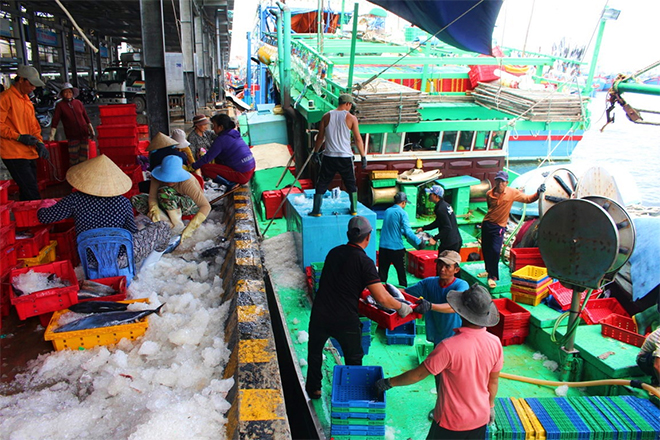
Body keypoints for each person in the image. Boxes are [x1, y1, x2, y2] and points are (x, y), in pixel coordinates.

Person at [305, 216, 426, 399]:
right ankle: (352, 395)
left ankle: (314, 389)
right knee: (353, 358)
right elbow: (382, 298)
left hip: (320, 313)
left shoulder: (334, 252)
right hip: (345, 318)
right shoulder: (365, 262)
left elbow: (341, 280)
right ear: (368, 237)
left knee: (314, 352)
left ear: (348, 235)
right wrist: (402, 307)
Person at [374, 284, 502, 440]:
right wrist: (490, 406)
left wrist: (388, 382)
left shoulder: (448, 347)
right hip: (480, 418)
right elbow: (493, 381)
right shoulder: (495, 343)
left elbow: (417, 375)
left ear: (460, 312)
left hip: (451, 421)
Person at [37, 154, 171, 269]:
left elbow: (45, 217)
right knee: (163, 227)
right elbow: (131, 231)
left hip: (90, 260)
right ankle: (149, 266)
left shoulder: (74, 200)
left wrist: (44, 204)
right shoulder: (123, 202)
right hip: (120, 259)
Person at [404, 249, 469, 419]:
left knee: (457, 378)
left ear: (456, 269)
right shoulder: (428, 284)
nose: (442, 269)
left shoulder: (461, 286)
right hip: (439, 339)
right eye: (440, 264)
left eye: (447, 266)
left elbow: (454, 306)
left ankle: (458, 409)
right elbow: (405, 294)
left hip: (458, 340)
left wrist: (430, 306)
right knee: (440, 376)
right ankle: (442, 406)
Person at [480, 171, 544, 289]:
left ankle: (492, 276)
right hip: (487, 224)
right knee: (486, 249)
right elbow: (490, 208)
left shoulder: (512, 193)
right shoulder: (489, 194)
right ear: (495, 181)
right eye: (498, 181)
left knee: (495, 250)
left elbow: (527, 199)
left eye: (502, 182)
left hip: (499, 226)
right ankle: (488, 270)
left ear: (506, 183)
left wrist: (538, 193)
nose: (500, 184)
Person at [309, 94, 367, 217]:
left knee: (322, 183)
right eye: (351, 105)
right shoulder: (351, 118)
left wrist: (315, 152)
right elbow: (358, 139)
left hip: (329, 156)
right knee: (350, 183)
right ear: (348, 104)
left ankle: (316, 210)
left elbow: (320, 138)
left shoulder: (326, 116)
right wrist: (363, 156)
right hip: (345, 157)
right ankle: (354, 209)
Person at [0, 64, 49, 200]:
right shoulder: (5, 98)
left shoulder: (26, 100)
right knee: (31, 192)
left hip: (29, 152)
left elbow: (34, 126)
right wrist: (19, 137)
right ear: (21, 80)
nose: (33, 88)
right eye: (31, 84)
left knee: (28, 190)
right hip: (13, 153)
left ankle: (26, 218)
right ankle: (37, 218)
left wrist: (40, 143)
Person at [132, 155, 211, 240]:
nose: (169, 181)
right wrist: (154, 209)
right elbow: (152, 197)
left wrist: (191, 228)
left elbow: (206, 206)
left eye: (173, 179)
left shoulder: (188, 182)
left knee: (165, 192)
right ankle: (168, 225)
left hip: (188, 205)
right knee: (137, 200)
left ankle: (177, 227)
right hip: (165, 202)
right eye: (166, 178)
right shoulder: (156, 177)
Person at [379, 191, 436, 287]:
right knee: (401, 275)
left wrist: (403, 232)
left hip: (383, 247)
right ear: (403, 202)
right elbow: (408, 231)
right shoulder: (403, 213)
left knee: (382, 276)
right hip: (396, 248)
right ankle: (405, 294)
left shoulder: (387, 211)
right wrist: (419, 242)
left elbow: (392, 227)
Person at [191, 113, 255, 188]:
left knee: (205, 168)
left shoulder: (221, 140)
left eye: (214, 126)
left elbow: (207, 158)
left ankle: (230, 184)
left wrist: (193, 167)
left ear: (220, 127)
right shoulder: (234, 133)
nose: (213, 129)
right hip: (251, 168)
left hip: (243, 174)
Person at [48, 82, 95, 166]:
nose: (68, 94)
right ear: (62, 94)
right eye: (65, 92)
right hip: (72, 135)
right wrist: (52, 136)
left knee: (84, 158)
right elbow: (55, 121)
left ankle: (83, 176)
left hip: (84, 134)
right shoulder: (60, 105)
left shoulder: (78, 103)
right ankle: (74, 176)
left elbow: (86, 117)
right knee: (74, 158)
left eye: (70, 92)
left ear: (73, 93)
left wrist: (91, 130)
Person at [416, 185, 462, 253]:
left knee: (444, 262)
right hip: (456, 240)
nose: (429, 195)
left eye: (431, 194)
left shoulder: (440, 209)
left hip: (450, 244)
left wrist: (435, 238)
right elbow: (438, 222)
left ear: (436, 196)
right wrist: (424, 228)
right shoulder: (445, 205)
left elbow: (447, 227)